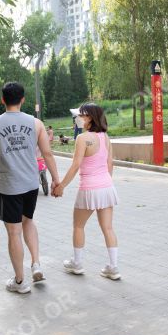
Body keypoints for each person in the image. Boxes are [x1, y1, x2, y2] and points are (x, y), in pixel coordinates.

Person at [0, 82, 61, 294]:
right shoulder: (36, 123)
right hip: (31, 184)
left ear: (3, 100)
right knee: (29, 221)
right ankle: (36, 263)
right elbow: (48, 153)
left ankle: (20, 282)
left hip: (9, 186)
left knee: (13, 233)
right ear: (23, 99)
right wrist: (55, 179)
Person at [53, 104, 121, 280]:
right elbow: (110, 163)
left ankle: (77, 263)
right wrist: (106, 183)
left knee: (78, 225)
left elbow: (76, 165)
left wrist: (61, 186)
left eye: (81, 115)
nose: (78, 118)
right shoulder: (105, 137)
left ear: (89, 117)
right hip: (106, 187)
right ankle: (113, 267)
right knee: (108, 228)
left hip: (89, 188)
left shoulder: (83, 138)